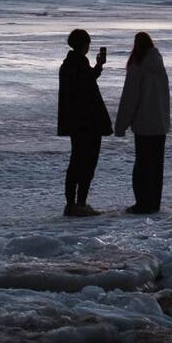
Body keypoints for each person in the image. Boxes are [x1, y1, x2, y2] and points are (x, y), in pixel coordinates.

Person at [57, 28, 112, 217]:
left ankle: (71, 203)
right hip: (89, 121)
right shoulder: (80, 64)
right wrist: (98, 66)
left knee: (76, 161)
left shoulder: (68, 64)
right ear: (85, 44)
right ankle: (80, 203)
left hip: (74, 122)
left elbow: (84, 84)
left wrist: (97, 66)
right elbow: (87, 87)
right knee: (88, 162)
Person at [114, 31, 170, 214]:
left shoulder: (137, 65)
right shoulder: (159, 65)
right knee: (156, 166)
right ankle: (154, 203)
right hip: (160, 124)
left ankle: (142, 203)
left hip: (144, 125)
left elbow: (130, 98)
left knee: (142, 166)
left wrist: (121, 125)